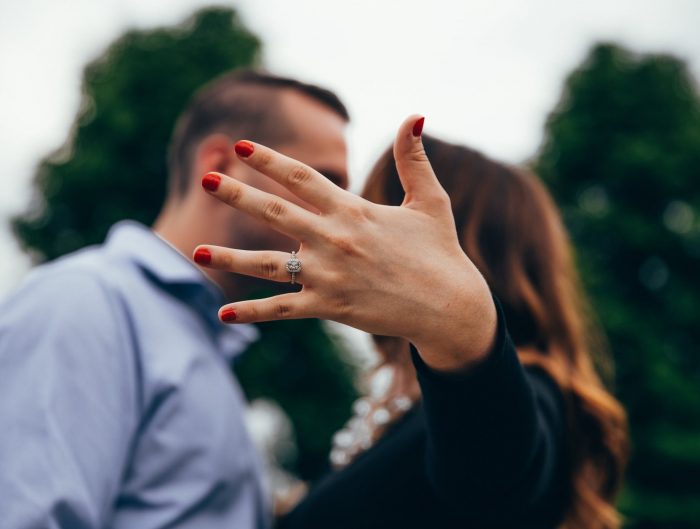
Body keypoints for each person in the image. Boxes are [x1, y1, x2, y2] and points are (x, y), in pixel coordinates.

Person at [194, 121, 630, 529]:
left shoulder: (529, 394)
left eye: (374, 211)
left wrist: (462, 325)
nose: (348, 234)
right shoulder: (403, 411)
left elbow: (493, 484)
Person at [0, 70, 349, 529]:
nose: (341, 208)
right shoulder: (84, 300)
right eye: (319, 179)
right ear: (222, 165)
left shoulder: (202, 335)